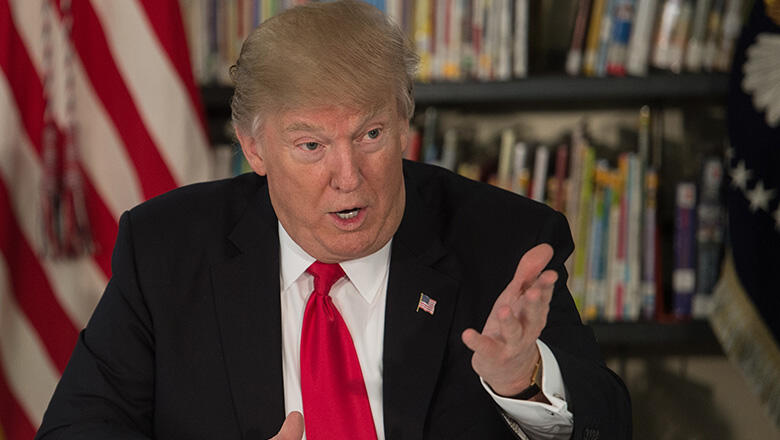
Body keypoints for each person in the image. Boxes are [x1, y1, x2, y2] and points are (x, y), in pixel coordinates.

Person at [36, 1, 631, 439]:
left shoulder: (506, 243)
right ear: (254, 147)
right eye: (311, 146)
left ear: (404, 124)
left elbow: (611, 424)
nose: (349, 176)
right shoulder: (167, 249)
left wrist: (524, 379)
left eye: (370, 135)